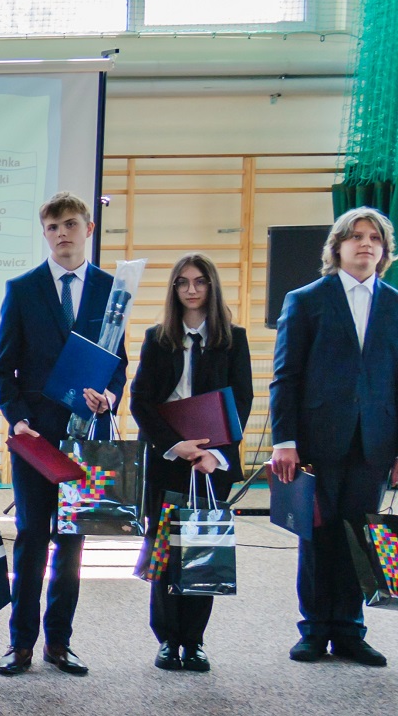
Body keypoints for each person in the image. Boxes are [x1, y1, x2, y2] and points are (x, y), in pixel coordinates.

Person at [0, 191, 127, 676]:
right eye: (52, 227)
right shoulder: (23, 289)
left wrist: (110, 396)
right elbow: (2, 368)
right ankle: (20, 644)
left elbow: (119, 363)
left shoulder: (111, 289)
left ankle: (59, 643)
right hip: (36, 437)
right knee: (30, 538)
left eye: (70, 224)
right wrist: (17, 418)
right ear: (44, 234)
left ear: (88, 228)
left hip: (86, 436)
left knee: (72, 542)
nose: (62, 233)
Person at [270, 207, 398, 668]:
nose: (366, 244)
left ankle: (349, 630)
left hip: (375, 443)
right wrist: (284, 440)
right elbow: (286, 376)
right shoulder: (305, 300)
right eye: (356, 236)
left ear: (384, 251)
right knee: (318, 535)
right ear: (338, 246)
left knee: (359, 536)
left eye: (374, 238)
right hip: (317, 441)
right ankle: (314, 629)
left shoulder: (395, 303)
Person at [130, 253, 252, 673]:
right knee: (165, 553)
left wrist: (213, 453)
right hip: (168, 457)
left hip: (212, 461)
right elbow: (141, 402)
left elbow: (242, 399)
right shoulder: (158, 338)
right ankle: (168, 640)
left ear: (211, 287)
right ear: (174, 290)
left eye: (199, 281)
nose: (191, 289)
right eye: (182, 282)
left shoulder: (233, 338)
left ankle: (194, 641)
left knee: (202, 550)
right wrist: (175, 445)